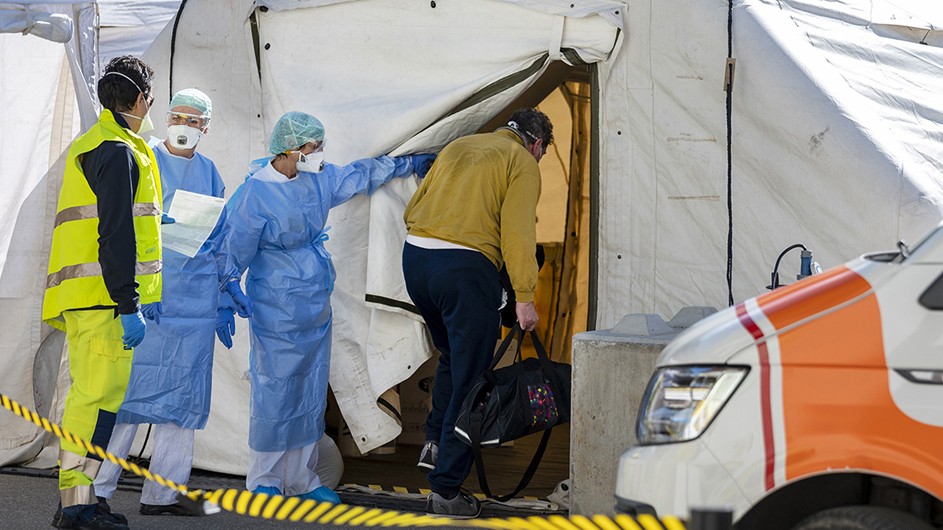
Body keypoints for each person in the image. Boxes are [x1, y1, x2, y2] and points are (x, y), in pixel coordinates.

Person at [215, 111, 435, 503]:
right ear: (290, 149)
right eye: (313, 147)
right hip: (275, 302)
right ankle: (264, 478)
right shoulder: (256, 193)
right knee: (275, 389)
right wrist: (227, 289)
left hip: (314, 301)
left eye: (320, 146)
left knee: (310, 390)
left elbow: (358, 175)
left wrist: (403, 165)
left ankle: (301, 478)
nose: (319, 153)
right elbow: (233, 245)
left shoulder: (318, 180)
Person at [402, 107, 553, 518]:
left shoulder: (459, 145)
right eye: (540, 154)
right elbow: (519, 233)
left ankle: (434, 442)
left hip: (416, 261)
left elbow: (414, 205)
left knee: (453, 357)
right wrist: (523, 297)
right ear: (536, 144)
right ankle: (446, 489)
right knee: (473, 383)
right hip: (464, 271)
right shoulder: (520, 161)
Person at [92, 88, 233, 517]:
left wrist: (226, 290)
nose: (185, 127)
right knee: (128, 397)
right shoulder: (142, 158)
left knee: (182, 402)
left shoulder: (210, 173)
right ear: (165, 116)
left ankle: (164, 494)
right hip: (147, 295)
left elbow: (220, 236)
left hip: (193, 301)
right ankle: (96, 491)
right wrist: (134, 292)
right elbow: (119, 225)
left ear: (206, 128)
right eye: (179, 117)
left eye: (195, 121)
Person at [42, 55, 163, 530]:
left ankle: (81, 496)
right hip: (104, 300)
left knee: (94, 400)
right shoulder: (118, 151)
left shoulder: (98, 144)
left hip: (89, 297)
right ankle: (76, 508)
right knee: (94, 403)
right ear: (137, 99)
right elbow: (115, 235)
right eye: (150, 98)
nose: (150, 106)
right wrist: (128, 304)